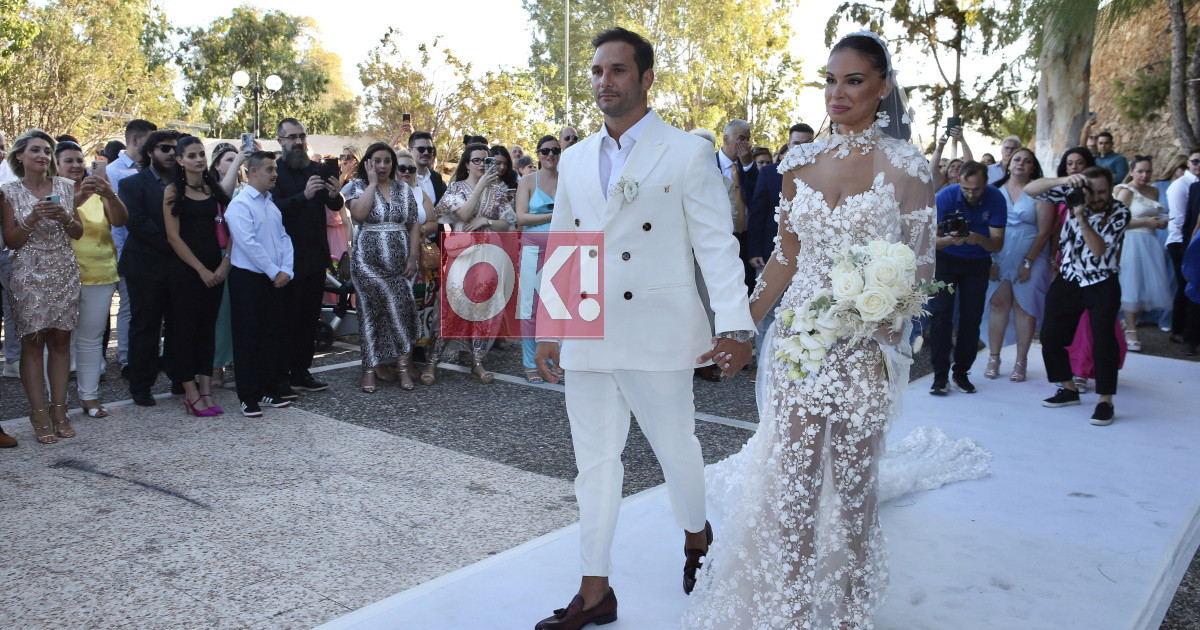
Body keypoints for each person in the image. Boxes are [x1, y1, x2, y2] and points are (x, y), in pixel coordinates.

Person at [683, 31, 957, 629]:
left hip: (865, 350)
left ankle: (850, 613)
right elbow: (785, 258)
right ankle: (792, 610)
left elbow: (921, 271)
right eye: (831, 80)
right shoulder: (798, 163)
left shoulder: (907, 168)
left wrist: (883, 322)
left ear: (883, 87)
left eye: (854, 80)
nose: (838, 92)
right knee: (795, 482)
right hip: (799, 344)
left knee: (855, 486)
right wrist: (740, 328)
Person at [530, 27, 753, 630]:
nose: (604, 81)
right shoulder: (576, 158)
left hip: (660, 329)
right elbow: (564, 243)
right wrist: (550, 324)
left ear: (646, 78)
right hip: (589, 328)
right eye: (597, 71)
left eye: (618, 70)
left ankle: (697, 533)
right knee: (594, 463)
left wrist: (736, 326)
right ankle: (595, 590)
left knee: (675, 447)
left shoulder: (685, 152)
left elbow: (716, 245)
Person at [0, 129, 84, 444]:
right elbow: (11, 241)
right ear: (20, 156)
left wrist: (65, 217)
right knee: (33, 341)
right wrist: (32, 217)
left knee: (61, 340)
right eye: (36, 150)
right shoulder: (8, 192)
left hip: (64, 268)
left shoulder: (65, 186)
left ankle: (60, 412)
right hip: (28, 271)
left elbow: (78, 232)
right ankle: (38, 413)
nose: (43, 156)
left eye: (47, 151)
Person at [1040, 166, 1130, 425]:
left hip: (1102, 282)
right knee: (1050, 336)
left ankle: (1105, 401)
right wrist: (1065, 180)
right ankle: (1068, 389)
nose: (1098, 197)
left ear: (1111, 189)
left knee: (1104, 342)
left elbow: (1098, 250)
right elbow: (1031, 189)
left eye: (1103, 192)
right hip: (1069, 278)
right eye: (1093, 191)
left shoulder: (1120, 212)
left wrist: (1081, 216)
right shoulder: (1073, 195)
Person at [430, 143, 516, 384]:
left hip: (488, 255)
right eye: (476, 160)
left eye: (486, 160)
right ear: (466, 164)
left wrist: (485, 221)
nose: (482, 164)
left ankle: (477, 360)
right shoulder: (456, 187)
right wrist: (480, 188)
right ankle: (432, 360)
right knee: (449, 305)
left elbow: (509, 221)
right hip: (461, 255)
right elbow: (463, 214)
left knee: (482, 305)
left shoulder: (497, 190)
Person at [271, 118, 342, 395]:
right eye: (292, 137)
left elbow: (333, 204)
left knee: (308, 319)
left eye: (301, 136)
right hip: (286, 259)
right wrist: (303, 195)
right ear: (280, 141)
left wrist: (335, 195)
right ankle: (280, 377)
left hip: (314, 256)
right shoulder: (274, 171)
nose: (298, 142)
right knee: (285, 320)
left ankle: (301, 371)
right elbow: (274, 209)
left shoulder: (316, 169)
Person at [161, 136, 231, 417]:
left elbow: (231, 228)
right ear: (179, 160)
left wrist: (224, 263)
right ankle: (190, 394)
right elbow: (173, 237)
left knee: (207, 331)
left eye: (201, 154)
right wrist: (201, 269)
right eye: (191, 155)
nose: (199, 159)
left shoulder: (214, 189)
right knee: (184, 332)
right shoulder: (172, 191)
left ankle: (206, 390)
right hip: (185, 272)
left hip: (216, 270)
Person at [343, 143, 422, 393]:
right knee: (370, 314)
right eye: (376, 161)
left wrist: (413, 256)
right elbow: (358, 215)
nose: (382, 166)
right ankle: (369, 369)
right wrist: (372, 184)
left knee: (401, 312)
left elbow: (414, 223)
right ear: (367, 163)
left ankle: (401, 366)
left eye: (387, 161)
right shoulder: (358, 187)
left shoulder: (403, 189)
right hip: (367, 265)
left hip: (400, 266)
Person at [56, 140, 127, 418]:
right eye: (68, 161)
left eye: (79, 160)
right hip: (59, 277)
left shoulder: (99, 191)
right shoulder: (50, 192)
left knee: (90, 339)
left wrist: (109, 193)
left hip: (99, 275)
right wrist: (78, 197)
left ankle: (90, 397)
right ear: (56, 165)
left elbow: (120, 220)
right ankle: (56, 403)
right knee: (58, 341)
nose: (76, 165)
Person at [225, 151, 295, 417]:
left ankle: (267, 389)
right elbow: (247, 243)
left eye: (275, 169)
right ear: (253, 171)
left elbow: (284, 237)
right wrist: (274, 271)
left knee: (271, 336)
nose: (275, 174)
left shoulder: (271, 204)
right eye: (269, 169)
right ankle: (247, 396)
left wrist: (286, 269)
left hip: (274, 278)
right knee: (247, 338)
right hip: (249, 279)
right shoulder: (240, 205)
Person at [928, 161, 1006, 395]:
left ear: (986, 183)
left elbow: (997, 245)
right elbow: (930, 241)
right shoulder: (946, 196)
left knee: (971, 317)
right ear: (959, 182)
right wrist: (949, 240)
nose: (971, 194)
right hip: (946, 259)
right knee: (941, 315)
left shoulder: (996, 198)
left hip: (977, 262)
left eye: (976, 189)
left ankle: (961, 372)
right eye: (966, 189)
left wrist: (977, 238)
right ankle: (940, 375)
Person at [118, 128, 180, 407]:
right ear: (150, 152)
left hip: (180, 266)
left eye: (175, 149)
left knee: (179, 325)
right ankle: (141, 385)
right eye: (165, 148)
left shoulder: (187, 183)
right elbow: (137, 222)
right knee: (145, 327)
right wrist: (176, 242)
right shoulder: (131, 184)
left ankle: (181, 378)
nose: (171, 153)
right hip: (144, 266)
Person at [746, 123, 814, 373]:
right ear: (788, 144)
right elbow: (758, 212)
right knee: (767, 312)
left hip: (809, 258)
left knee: (801, 313)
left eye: (807, 143)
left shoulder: (823, 173)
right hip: (769, 254)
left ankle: (795, 363)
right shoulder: (770, 173)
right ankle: (764, 366)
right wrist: (755, 250)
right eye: (796, 143)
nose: (801, 148)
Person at [982, 148, 1050, 382]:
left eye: (1027, 161)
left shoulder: (1040, 193)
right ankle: (994, 357)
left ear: (1033, 167)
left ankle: (1021, 361)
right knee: (998, 304)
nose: (1021, 163)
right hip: (999, 254)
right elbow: (984, 226)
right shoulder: (993, 190)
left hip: (1031, 256)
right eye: (1017, 159)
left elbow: (1044, 232)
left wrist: (1028, 262)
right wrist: (990, 259)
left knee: (1024, 307)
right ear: (1008, 164)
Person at [108, 119, 158, 375]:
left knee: (150, 309)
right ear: (135, 140)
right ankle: (127, 359)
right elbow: (115, 220)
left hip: (153, 251)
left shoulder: (153, 171)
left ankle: (150, 357)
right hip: (126, 251)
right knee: (129, 308)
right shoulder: (113, 172)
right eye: (152, 140)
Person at [1114, 156, 1174, 350]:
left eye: (1148, 171)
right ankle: (1131, 330)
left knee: (1148, 288)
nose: (1144, 175)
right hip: (1131, 242)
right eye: (1140, 171)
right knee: (1131, 286)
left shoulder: (1154, 191)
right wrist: (1146, 222)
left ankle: (1127, 322)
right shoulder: (1126, 191)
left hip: (1150, 243)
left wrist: (1158, 222)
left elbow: (1151, 215)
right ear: (1132, 171)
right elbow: (1117, 221)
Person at [514, 135, 560, 383]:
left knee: (556, 308)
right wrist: (554, 216)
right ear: (538, 154)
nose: (550, 154)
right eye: (545, 151)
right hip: (533, 250)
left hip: (562, 251)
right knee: (530, 308)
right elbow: (521, 217)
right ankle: (530, 364)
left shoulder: (567, 179)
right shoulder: (528, 181)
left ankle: (555, 361)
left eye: (555, 150)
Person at [393, 149, 441, 385]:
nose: (407, 172)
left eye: (411, 168)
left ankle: (408, 359)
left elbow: (433, 222)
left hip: (420, 261)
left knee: (417, 311)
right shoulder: (385, 192)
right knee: (394, 310)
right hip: (391, 259)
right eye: (402, 167)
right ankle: (386, 361)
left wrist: (416, 230)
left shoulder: (420, 192)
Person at [208, 143, 246, 387]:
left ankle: (234, 359)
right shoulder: (210, 189)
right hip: (219, 254)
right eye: (229, 160)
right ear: (216, 165)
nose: (236, 163)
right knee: (220, 314)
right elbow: (223, 195)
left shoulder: (246, 189)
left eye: (237, 159)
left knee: (236, 311)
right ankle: (216, 365)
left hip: (242, 255)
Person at [1166, 149, 1200, 344]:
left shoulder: (1194, 184)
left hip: (1188, 240)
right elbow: (1180, 220)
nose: (1198, 165)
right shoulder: (1181, 185)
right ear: (1187, 162)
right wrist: (1187, 246)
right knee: (1185, 285)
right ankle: (1178, 329)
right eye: (1195, 161)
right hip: (1180, 241)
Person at [408, 131, 446, 205]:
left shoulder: (437, 178)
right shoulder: (403, 177)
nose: (426, 153)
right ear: (410, 151)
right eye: (421, 149)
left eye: (429, 149)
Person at [931, 126, 972, 190]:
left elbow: (970, 165)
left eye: (959, 166)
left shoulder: (968, 186)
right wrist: (940, 146)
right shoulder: (941, 183)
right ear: (947, 171)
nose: (956, 168)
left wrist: (962, 140)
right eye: (952, 166)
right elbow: (932, 168)